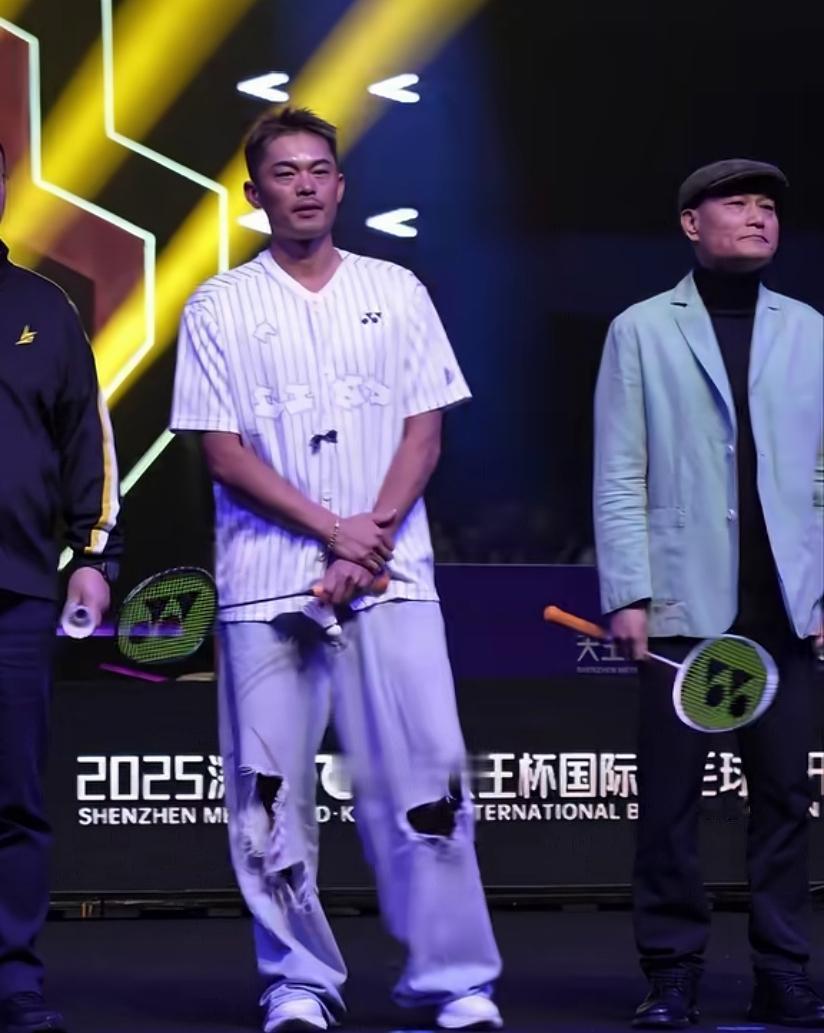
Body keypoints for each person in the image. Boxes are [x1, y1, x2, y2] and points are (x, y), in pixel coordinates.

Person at [170, 108, 502, 1033]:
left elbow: (424, 431)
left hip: (394, 580)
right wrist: (334, 533)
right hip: (267, 583)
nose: (306, 185)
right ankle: (298, 980)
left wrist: (370, 538)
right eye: (285, 172)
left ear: (341, 185)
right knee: (266, 797)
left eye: (319, 169)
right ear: (254, 193)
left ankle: (453, 978)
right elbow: (224, 453)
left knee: (430, 781)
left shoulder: (396, 289)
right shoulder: (217, 306)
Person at [593, 158, 824, 1029]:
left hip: (786, 606)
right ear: (692, 223)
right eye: (738, 202)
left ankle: (783, 968)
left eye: (769, 205)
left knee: (786, 800)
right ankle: (672, 971)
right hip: (683, 603)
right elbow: (620, 470)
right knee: (670, 806)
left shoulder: (810, 329)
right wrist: (629, 590)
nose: (759, 215)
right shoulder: (642, 328)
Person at [0, 141, 122, 1033]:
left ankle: (12, 978)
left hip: (15, 595)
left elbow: (89, 443)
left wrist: (92, 555)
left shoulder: (44, 308)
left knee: (13, 798)